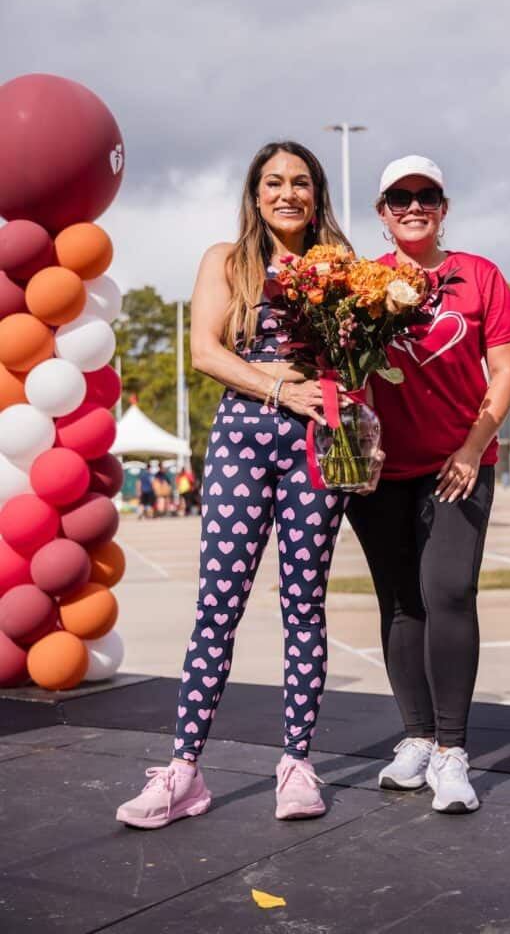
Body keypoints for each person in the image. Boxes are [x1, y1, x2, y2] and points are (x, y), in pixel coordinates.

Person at [117, 141, 350, 828]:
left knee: (303, 604)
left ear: (316, 194)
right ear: (254, 194)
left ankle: (297, 765)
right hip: (242, 443)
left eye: (300, 182)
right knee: (217, 605)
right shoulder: (226, 260)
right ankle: (184, 772)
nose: (287, 193)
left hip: (318, 446)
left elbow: (355, 358)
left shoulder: (338, 268)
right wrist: (284, 389)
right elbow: (207, 352)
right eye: (273, 181)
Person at [346, 155, 510, 814]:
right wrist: (353, 449)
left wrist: (472, 448)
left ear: (443, 206)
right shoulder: (360, 282)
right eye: (399, 197)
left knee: (447, 591)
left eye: (426, 196)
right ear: (381, 210)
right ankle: (416, 739)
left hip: (458, 464)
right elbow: (344, 372)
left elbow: (504, 369)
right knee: (400, 603)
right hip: (382, 472)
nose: (412, 206)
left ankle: (452, 753)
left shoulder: (478, 276)